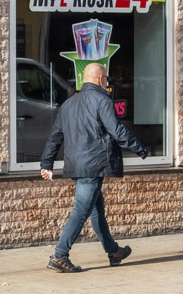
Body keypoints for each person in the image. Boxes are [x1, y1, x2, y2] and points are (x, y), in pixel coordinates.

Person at [40, 63, 149, 273]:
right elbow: (116, 130)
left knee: (97, 209)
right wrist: (139, 148)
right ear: (100, 80)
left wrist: (47, 163)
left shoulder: (68, 104)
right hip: (94, 165)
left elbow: (55, 136)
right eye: (106, 78)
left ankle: (113, 251)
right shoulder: (102, 101)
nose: (107, 82)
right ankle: (60, 255)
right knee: (81, 210)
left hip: (77, 165)